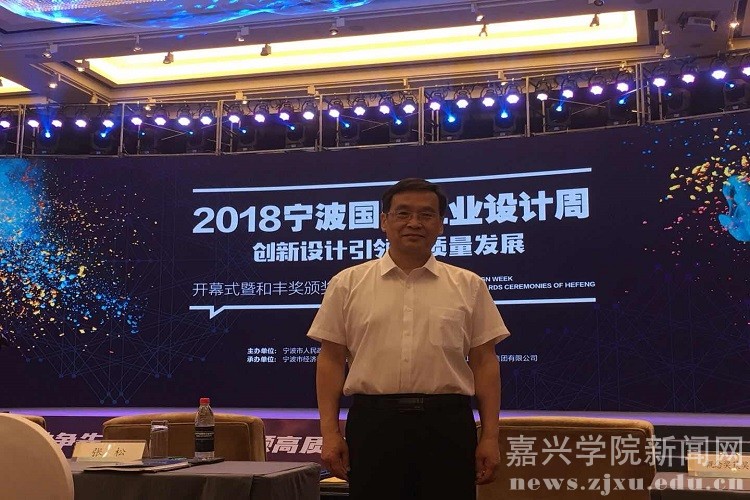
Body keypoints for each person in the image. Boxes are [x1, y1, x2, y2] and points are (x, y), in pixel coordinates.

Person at [307, 178, 510, 500]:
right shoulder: (347, 284)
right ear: (384, 221)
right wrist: (330, 433)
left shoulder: (469, 285)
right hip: (374, 425)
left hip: (447, 424)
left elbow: (485, 363)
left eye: (427, 214)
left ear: (440, 224)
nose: (414, 223)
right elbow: (331, 360)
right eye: (403, 213)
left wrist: (489, 437)